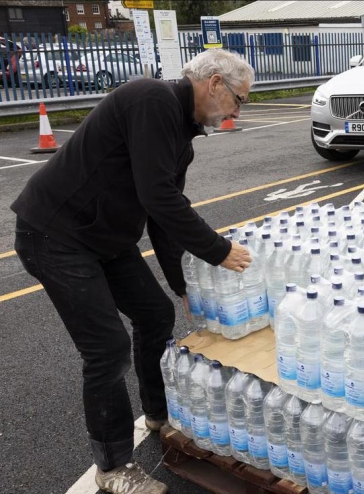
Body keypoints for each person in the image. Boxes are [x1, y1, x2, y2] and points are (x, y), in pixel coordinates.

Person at [11, 49, 254, 494]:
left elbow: (162, 216)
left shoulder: (181, 137)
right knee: (107, 349)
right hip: (55, 235)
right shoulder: (151, 100)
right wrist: (219, 251)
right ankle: (113, 467)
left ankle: (158, 413)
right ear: (215, 83)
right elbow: (159, 196)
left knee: (155, 314)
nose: (237, 112)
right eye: (239, 99)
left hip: (103, 239)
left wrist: (182, 285)